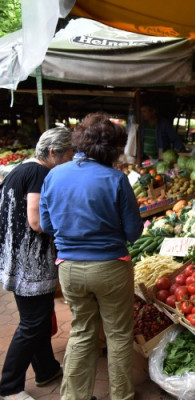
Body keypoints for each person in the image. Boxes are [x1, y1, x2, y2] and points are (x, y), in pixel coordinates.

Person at [39, 113, 143, 400]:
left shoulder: (54, 175)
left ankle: (74, 397)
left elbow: (47, 225)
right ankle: (121, 396)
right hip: (110, 267)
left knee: (82, 331)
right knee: (118, 335)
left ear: (80, 141)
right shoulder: (116, 179)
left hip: (69, 269)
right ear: (113, 149)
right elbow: (134, 232)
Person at [0, 127, 74, 400]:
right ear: (54, 152)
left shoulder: (21, 169)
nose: (70, 160)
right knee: (32, 324)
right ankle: (9, 387)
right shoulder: (40, 174)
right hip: (29, 264)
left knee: (39, 320)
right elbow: (37, 221)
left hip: (16, 258)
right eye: (68, 154)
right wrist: (70, 225)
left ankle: (45, 370)